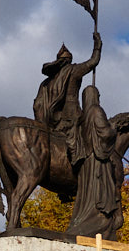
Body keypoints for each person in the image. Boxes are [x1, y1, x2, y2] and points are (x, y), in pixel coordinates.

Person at [33, 32, 101, 162]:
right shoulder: (73, 70)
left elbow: (37, 105)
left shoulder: (46, 82)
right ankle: (77, 156)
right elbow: (93, 61)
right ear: (69, 60)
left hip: (53, 118)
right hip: (71, 113)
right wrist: (97, 46)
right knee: (91, 130)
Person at [66, 84, 123, 240]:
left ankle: (83, 222)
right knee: (99, 194)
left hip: (85, 163)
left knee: (86, 196)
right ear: (95, 97)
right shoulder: (96, 111)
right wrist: (113, 129)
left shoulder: (81, 118)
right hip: (98, 162)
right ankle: (99, 224)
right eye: (97, 96)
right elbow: (105, 134)